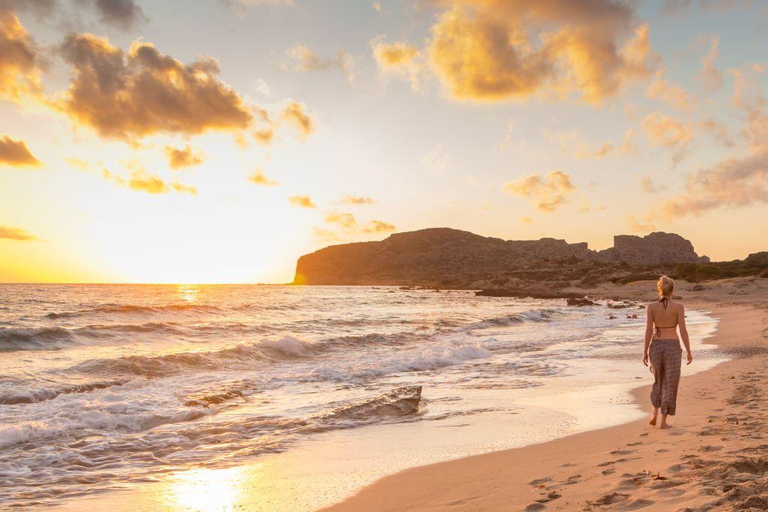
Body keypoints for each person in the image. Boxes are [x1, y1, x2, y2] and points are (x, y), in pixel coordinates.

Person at [642, 275, 693, 429]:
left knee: (658, 380)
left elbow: (648, 331)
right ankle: (663, 422)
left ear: (659, 289)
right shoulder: (678, 307)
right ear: (672, 290)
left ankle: (654, 414)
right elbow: (683, 331)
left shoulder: (651, 307)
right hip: (672, 346)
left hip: (656, 346)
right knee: (669, 382)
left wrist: (644, 352)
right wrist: (689, 351)